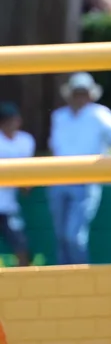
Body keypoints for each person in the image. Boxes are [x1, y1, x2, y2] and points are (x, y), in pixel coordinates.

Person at [47, 72, 111, 265]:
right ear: (70, 94)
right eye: (76, 92)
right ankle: (65, 286)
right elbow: (55, 148)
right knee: (62, 239)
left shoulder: (100, 114)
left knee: (74, 236)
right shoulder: (59, 117)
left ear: (90, 94)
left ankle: (82, 283)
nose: (80, 97)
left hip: (86, 182)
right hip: (58, 182)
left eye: (83, 93)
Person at [0, 103, 34, 266]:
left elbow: (26, 181)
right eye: (6, 120)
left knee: (20, 246)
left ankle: (25, 283)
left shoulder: (25, 141)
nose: (10, 124)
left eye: (12, 120)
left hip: (8, 206)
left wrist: (25, 183)